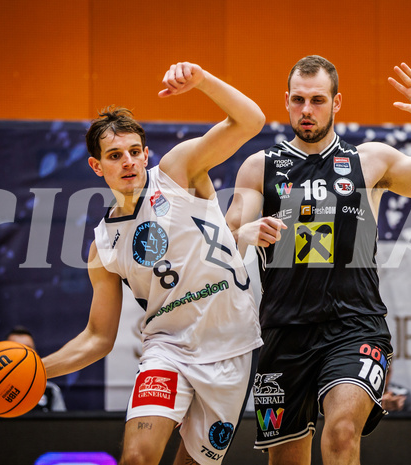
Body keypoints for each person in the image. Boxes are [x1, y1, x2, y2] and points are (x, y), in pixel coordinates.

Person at [225, 55, 411, 465]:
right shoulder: (260, 166)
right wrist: (243, 235)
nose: (307, 110)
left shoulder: (370, 160)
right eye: (299, 100)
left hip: (354, 326)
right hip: (284, 332)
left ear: (337, 103)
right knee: (287, 459)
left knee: (341, 433)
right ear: (286, 101)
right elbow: (224, 247)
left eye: (318, 100)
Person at [41, 62, 265, 465]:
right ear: (97, 166)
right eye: (114, 155)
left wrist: (202, 81)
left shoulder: (178, 172)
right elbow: (97, 338)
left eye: (133, 152)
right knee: (137, 459)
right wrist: (39, 371)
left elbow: (251, 121)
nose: (127, 161)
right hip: (168, 350)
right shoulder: (103, 246)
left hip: (232, 345)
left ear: (146, 154)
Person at [6, 325, 66, 412]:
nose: (22, 354)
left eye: (28, 349)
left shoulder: (50, 390)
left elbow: (61, 424)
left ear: (36, 354)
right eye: (16, 349)